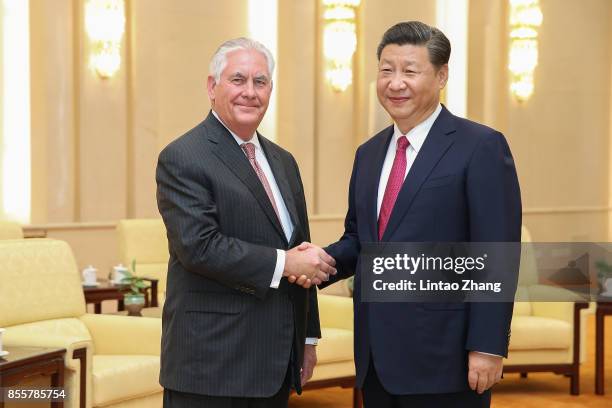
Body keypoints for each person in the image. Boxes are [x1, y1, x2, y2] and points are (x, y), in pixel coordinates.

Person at [314, 21, 522, 407]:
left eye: (410, 71)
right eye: (386, 70)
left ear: (441, 75)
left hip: (447, 359)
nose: (396, 83)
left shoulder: (480, 147)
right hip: (377, 360)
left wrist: (488, 346)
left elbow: (497, 254)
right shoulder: (369, 154)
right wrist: (318, 262)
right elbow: (361, 239)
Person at [156, 37, 336, 408]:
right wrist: (285, 262)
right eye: (238, 80)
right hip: (211, 365)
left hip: (274, 364)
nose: (250, 92)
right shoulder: (183, 157)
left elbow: (301, 246)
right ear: (212, 86)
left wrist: (307, 340)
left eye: (261, 81)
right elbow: (199, 247)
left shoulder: (283, 161)